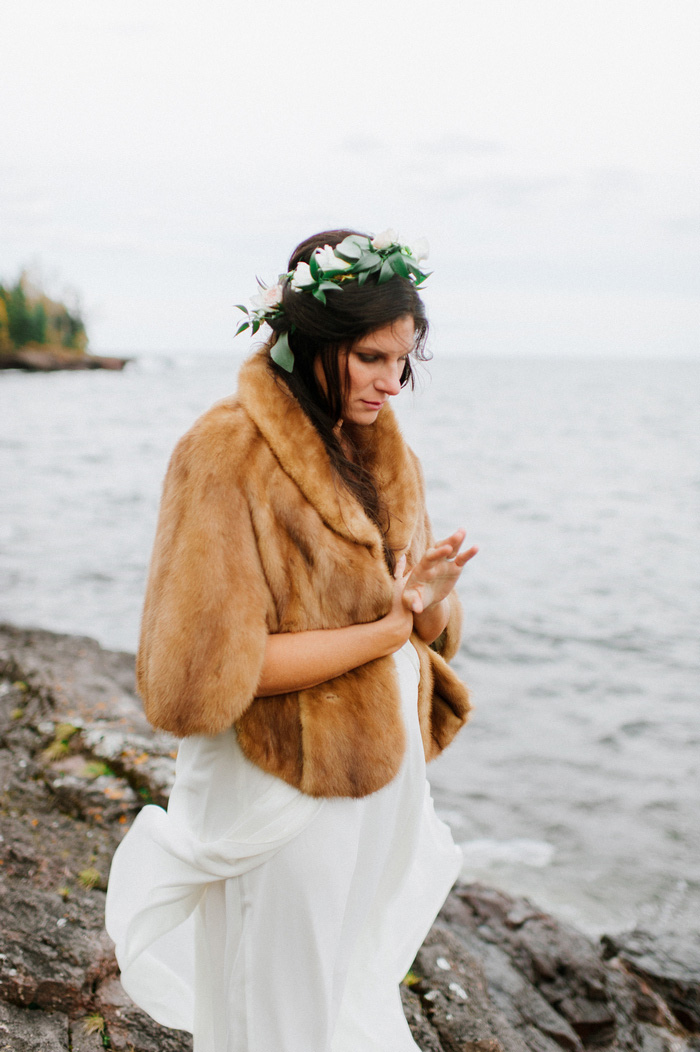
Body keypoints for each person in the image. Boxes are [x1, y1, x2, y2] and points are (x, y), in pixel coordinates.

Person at [105, 228, 478, 1052]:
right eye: (372, 358)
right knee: (275, 1023)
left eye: (402, 361)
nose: (391, 383)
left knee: (343, 1008)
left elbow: (418, 634)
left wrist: (430, 607)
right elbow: (197, 683)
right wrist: (386, 628)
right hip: (280, 790)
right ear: (313, 341)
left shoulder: (386, 454)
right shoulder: (226, 453)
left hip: (379, 788)